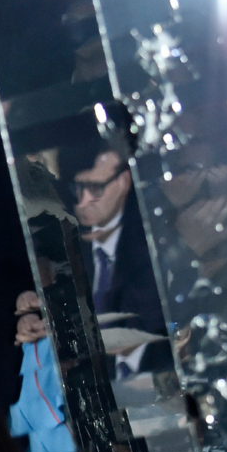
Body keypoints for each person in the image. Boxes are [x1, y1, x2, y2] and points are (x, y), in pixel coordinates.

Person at [69, 144, 167, 375]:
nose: (82, 201)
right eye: (77, 187)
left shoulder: (153, 237)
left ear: (124, 182)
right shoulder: (65, 239)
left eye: (95, 188)